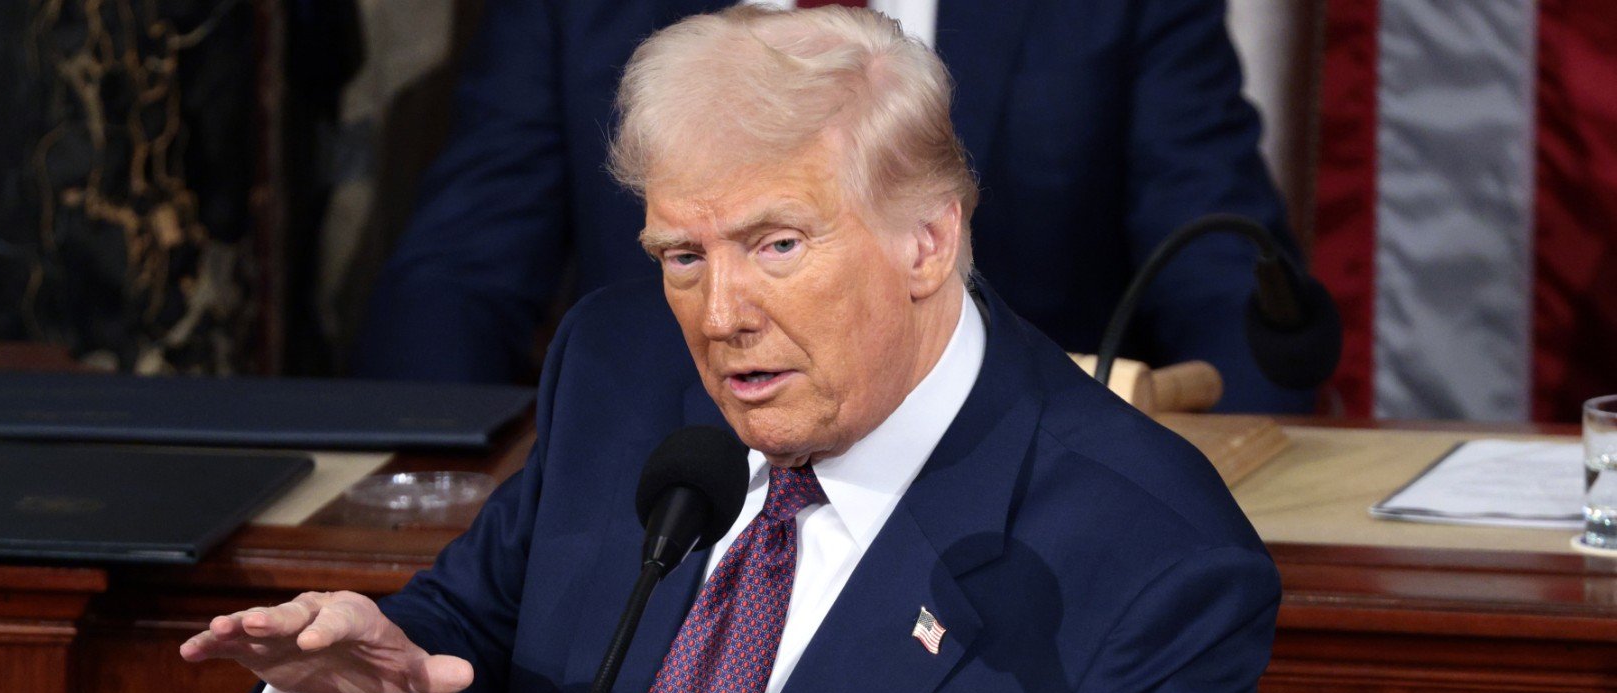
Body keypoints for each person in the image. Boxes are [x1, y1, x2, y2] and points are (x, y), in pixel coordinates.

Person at [183, 8, 1276, 693]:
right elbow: (473, 643)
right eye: (683, 256)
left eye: (777, 245)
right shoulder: (620, 375)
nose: (721, 314)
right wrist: (369, 672)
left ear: (928, 240)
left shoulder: (1143, 536)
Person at [352, 0, 1314, 413]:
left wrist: (1195, 499)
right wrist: (433, 505)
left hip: (1027, 530)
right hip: (682, 516)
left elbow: (1231, 292)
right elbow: (455, 277)